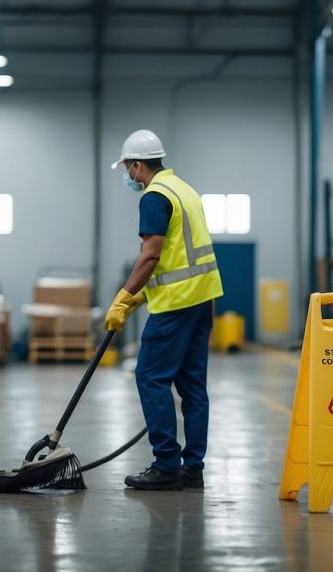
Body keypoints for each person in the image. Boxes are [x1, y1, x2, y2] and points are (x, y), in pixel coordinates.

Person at [104, 129, 224, 491]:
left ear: (138, 165)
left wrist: (124, 296)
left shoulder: (154, 196)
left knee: (150, 376)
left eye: (128, 168)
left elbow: (152, 253)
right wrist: (143, 294)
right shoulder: (185, 190)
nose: (128, 175)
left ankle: (166, 465)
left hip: (175, 306)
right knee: (191, 386)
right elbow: (179, 255)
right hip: (202, 299)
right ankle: (193, 468)